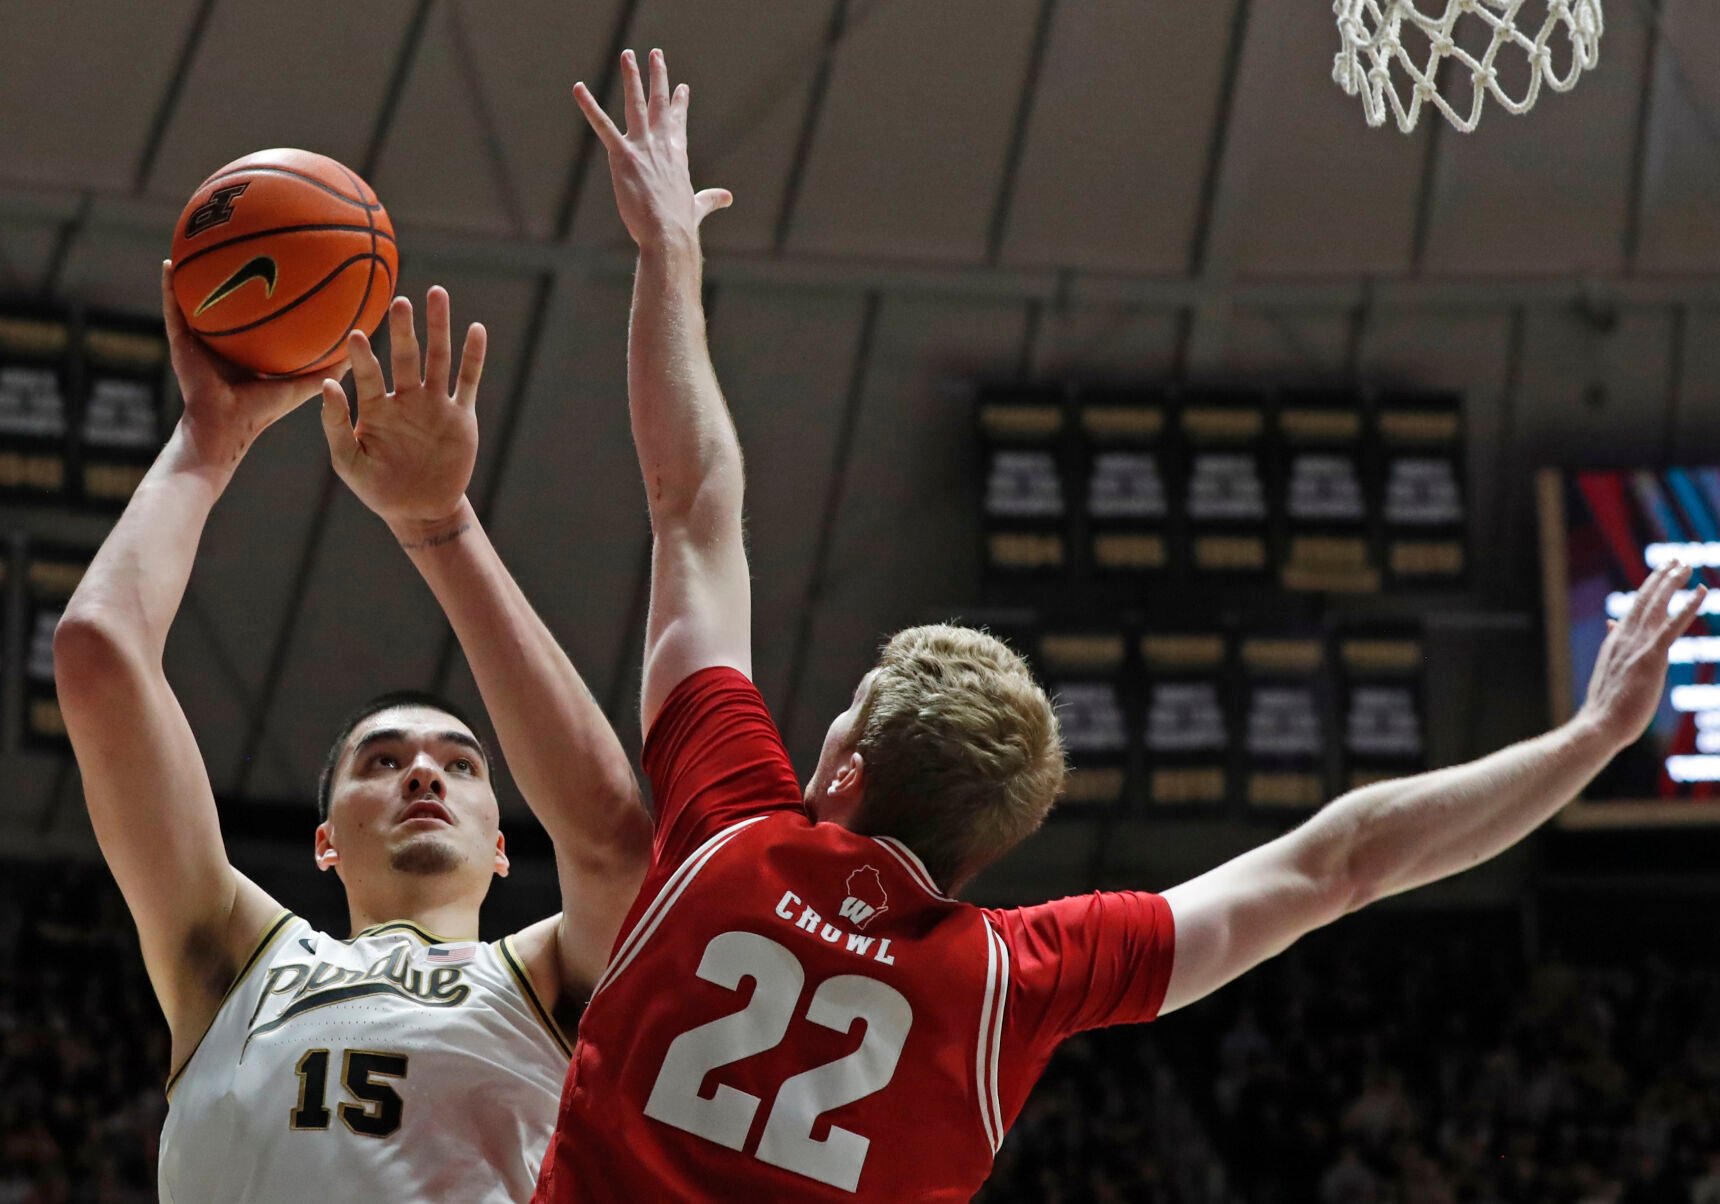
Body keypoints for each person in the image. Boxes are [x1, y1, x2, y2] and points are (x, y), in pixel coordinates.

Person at [528, 47, 1710, 1202]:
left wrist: (669, 257)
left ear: (840, 764)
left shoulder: (736, 832)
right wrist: (1590, 740)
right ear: (987, 849)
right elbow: (1341, 860)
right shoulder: (1013, 973)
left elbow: (693, 509)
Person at [53, 266, 652, 1203]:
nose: (423, 772)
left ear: (502, 849)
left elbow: (615, 838)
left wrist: (440, 525)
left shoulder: (552, 984)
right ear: (324, 839)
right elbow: (98, 656)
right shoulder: (232, 959)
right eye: (383, 762)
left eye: (461, 763)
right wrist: (207, 442)